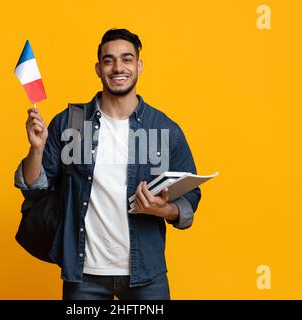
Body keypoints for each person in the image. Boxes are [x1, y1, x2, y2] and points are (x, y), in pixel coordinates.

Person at [14, 28, 201, 300]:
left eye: (126, 59)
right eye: (109, 60)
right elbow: (34, 186)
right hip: (84, 275)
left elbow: (190, 196)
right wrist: (37, 148)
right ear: (98, 69)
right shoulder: (72, 122)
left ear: (139, 65)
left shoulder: (163, 129)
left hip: (146, 274)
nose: (118, 67)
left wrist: (165, 210)